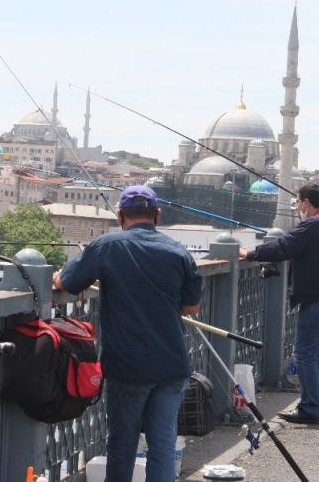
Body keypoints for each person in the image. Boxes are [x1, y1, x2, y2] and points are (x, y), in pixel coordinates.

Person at [53, 185, 202, 482]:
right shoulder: (179, 252)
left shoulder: (107, 246)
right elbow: (191, 307)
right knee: (162, 445)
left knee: (122, 445)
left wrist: (58, 277)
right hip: (172, 364)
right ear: (157, 215)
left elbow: (66, 282)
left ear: (121, 216)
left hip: (128, 366)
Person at [239, 183, 319, 424]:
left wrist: (250, 254)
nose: (297, 207)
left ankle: (309, 409)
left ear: (306, 203)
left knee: (305, 354)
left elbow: (283, 246)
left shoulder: (312, 226)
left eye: (298, 202)